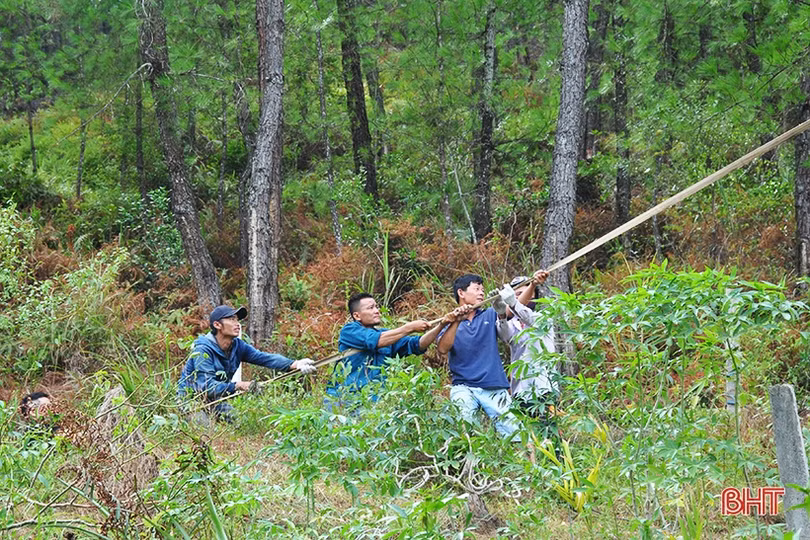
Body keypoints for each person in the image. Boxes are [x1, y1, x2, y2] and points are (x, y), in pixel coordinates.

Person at [177, 305, 317, 422]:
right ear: (217, 325)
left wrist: (294, 364)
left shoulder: (237, 345)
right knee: (204, 430)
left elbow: (263, 358)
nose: (237, 323)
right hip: (191, 400)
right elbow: (207, 387)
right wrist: (239, 385)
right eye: (231, 319)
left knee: (238, 421)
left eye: (237, 320)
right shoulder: (203, 350)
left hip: (214, 400)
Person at [326, 292, 457, 407]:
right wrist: (409, 328)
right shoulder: (349, 331)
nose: (377, 310)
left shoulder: (387, 335)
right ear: (357, 315)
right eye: (371, 308)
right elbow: (376, 340)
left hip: (375, 402)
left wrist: (441, 325)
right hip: (344, 399)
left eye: (376, 306)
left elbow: (418, 344)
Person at [437, 274, 522, 439]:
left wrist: (525, 290)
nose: (481, 293)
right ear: (461, 293)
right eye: (476, 289)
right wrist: (455, 321)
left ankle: (528, 463)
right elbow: (442, 349)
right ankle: (469, 465)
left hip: (493, 385)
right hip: (463, 387)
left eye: (482, 290)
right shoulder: (450, 320)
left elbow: (513, 310)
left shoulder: (490, 314)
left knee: (516, 434)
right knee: (466, 434)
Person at [493, 270, 560, 437]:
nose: (519, 299)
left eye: (522, 295)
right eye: (515, 295)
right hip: (520, 389)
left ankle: (558, 461)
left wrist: (514, 303)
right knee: (528, 435)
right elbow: (504, 335)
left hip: (544, 386)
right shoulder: (513, 324)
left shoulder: (543, 318)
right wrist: (502, 314)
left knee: (549, 432)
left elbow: (527, 317)